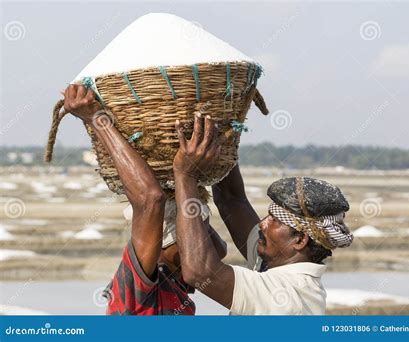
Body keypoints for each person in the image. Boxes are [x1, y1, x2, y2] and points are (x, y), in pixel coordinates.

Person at [63, 85, 226, 315]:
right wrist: (95, 117)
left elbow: (220, 246)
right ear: (158, 245)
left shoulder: (176, 281)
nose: (205, 245)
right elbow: (150, 199)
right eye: (197, 236)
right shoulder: (134, 294)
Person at [173, 114, 353, 315]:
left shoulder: (288, 297)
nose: (262, 225)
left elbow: (199, 271)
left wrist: (185, 175)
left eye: (274, 221)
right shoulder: (273, 264)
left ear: (300, 240)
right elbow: (231, 201)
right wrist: (221, 136)